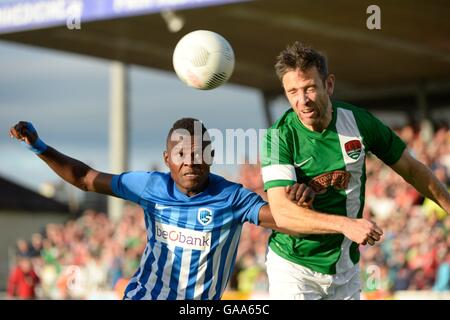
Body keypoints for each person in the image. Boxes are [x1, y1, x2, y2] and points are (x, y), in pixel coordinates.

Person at [10, 118, 381, 300]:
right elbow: (86, 178)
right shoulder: (149, 187)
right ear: (167, 159)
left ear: (212, 157)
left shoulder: (232, 198)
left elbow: (284, 220)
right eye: (182, 155)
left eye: (200, 153)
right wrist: (39, 145)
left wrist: (298, 202)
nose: (191, 162)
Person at [261, 42, 450, 300]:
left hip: (346, 269)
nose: (301, 100)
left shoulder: (359, 122)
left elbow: (412, 169)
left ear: (328, 85)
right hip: (294, 268)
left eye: (309, 88)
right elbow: (282, 212)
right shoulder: (279, 136)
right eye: (292, 91)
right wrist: (345, 225)